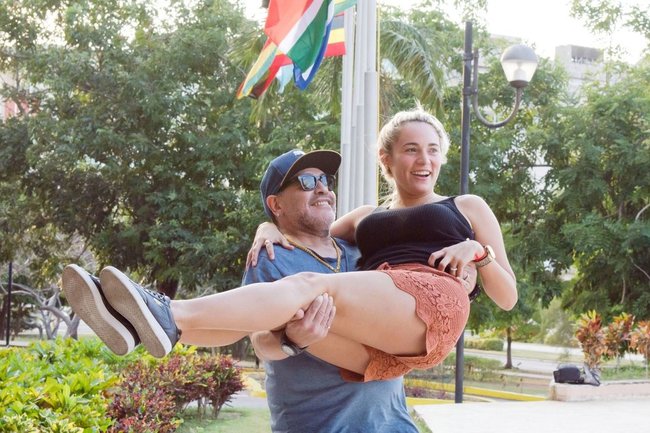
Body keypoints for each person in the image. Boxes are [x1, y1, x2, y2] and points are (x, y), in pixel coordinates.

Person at [62, 107, 517, 384]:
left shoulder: (466, 206)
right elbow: (310, 231)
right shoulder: (364, 218)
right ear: (387, 158)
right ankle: (134, 324)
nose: (425, 159)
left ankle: (167, 312)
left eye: (433, 149)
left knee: (306, 285)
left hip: (432, 302)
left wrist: (479, 254)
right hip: (383, 343)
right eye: (412, 149)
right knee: (278, 318)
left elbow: (508, 296)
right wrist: (267, 226)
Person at [243, 148, 422, 432]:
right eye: (306, 182)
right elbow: (260, 342)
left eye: (325, 180)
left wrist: (474, 253)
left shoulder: (363, 249)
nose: (322, 189)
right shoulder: (272, 258)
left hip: (395, 425)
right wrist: (291, 340)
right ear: (276, 204)